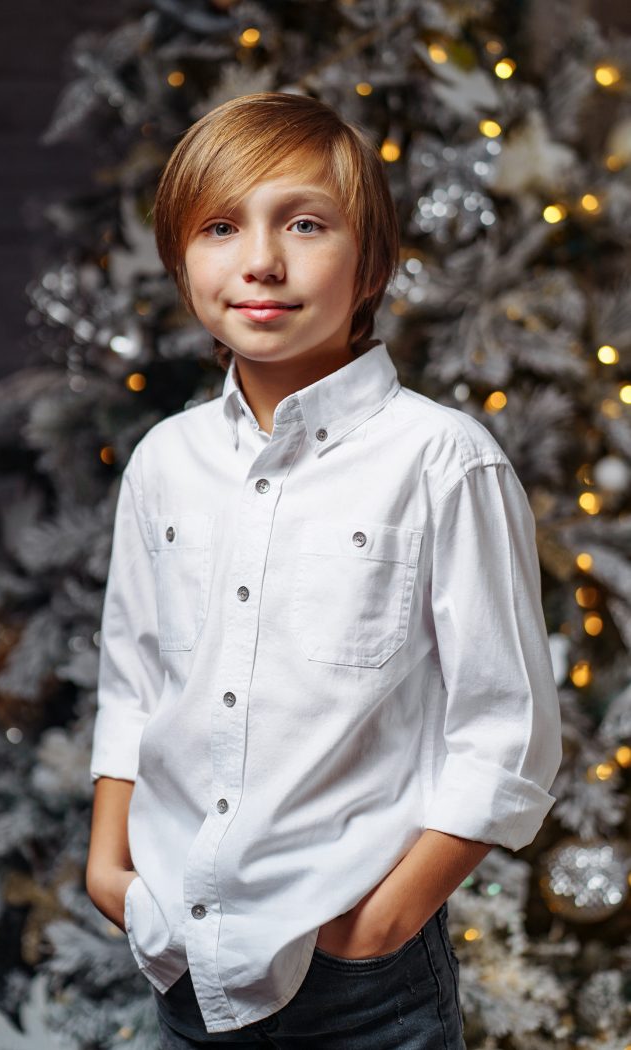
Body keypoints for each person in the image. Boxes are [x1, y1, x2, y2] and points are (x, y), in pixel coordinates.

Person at [85, 91, 563, 1049]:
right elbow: (134, 683)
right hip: (180, 959)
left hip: (366, 992)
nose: (261, 260)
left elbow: (505, 729)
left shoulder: (443, 462)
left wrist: (377, 928)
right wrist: (110, 874)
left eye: (304, 224)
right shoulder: (165, 462)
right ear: (182, 261)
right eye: (220, 227)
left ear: (372, 262)